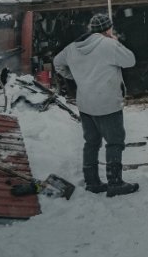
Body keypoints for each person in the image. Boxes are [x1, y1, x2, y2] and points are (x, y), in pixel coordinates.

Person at [53, 13, 139, 197]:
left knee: (91, 143)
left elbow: (57, 63)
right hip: (108, 104)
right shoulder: (109, 44)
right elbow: (130, 60)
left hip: (85, 104)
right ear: (108, 29)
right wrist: (115, 41)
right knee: (115, 142)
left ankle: (92, 182)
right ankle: (115, 183)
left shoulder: (72, 47)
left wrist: (76, 77)